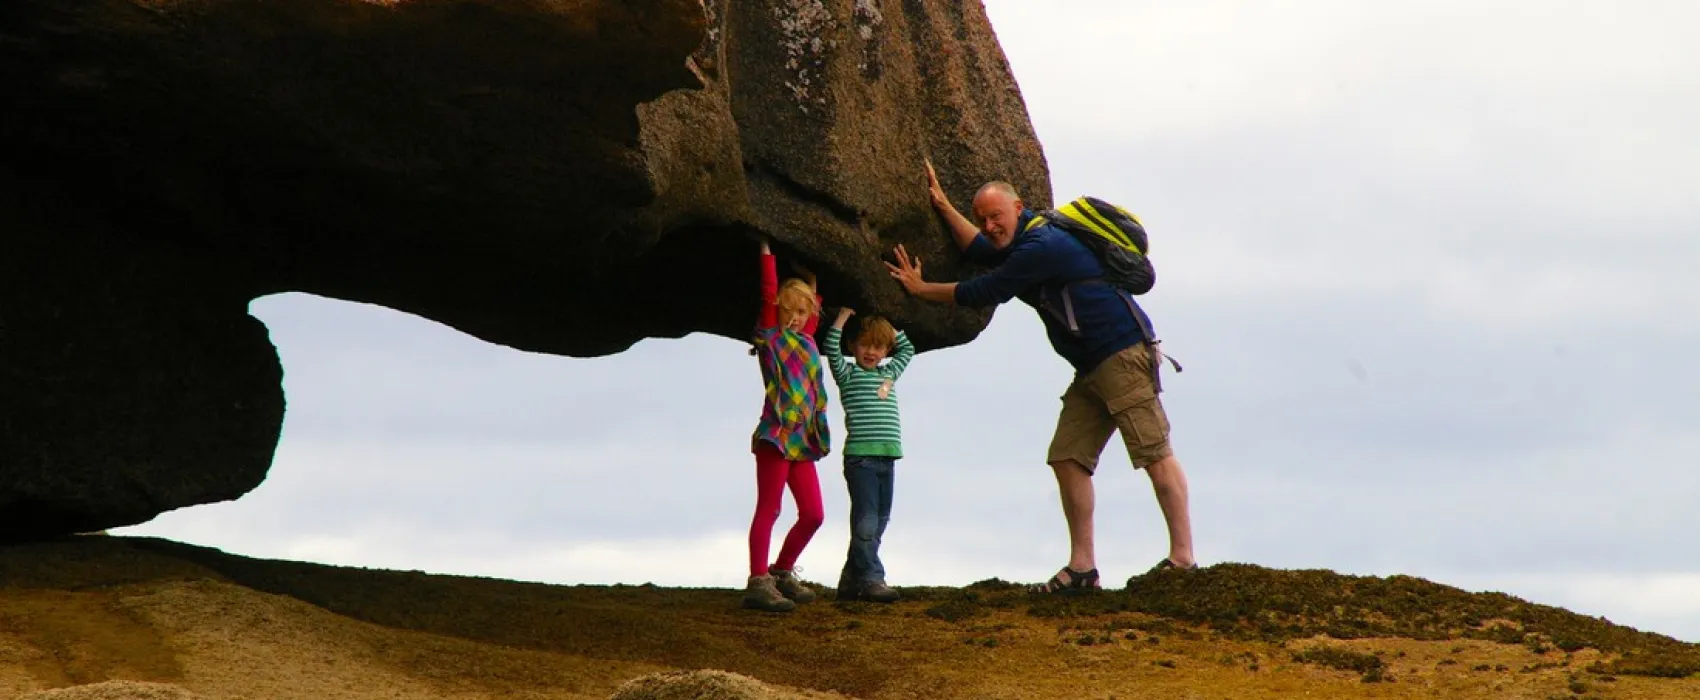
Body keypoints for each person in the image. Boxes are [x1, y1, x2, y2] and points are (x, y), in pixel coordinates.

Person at [884, 161, 1197, 592]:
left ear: (1019, 207)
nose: (991, 225)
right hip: (1091, 366)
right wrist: (941, 204)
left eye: (997, 216)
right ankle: (1083, 568)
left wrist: (922, 290)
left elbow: (985, 290)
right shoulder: (1025, 241)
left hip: (1122, 355)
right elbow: (980, 250)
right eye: (983, 218)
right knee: (1068, 458)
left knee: (1154, 453)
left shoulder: (1044, 245)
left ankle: (1183, 560)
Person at [744, 238, 830, 612]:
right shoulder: (771, 337)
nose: (795, 317)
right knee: (770, 508)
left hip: (803, 439)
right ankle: (758, 581)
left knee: (813, 514)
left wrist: (812, 281)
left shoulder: (808, 339)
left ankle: (781, 572)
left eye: (802, 312)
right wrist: (766, 253)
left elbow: (812, 307)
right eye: (788, 310)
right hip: (776, 437)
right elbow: (768, 296)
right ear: (778, 309)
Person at [822, 307, 916, 603]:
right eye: (864, 344)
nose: (871, 351)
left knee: (880, 520)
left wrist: (889, 324)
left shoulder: (889, 373)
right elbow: (830, 349)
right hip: (861, 459)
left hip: (888, 458)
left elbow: (908, 349)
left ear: (886, 349)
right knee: (865, 521)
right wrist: (842, 319)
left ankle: (852, 580)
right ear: (853, 346)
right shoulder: (848, 374)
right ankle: (872, 578)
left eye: (878, 346)